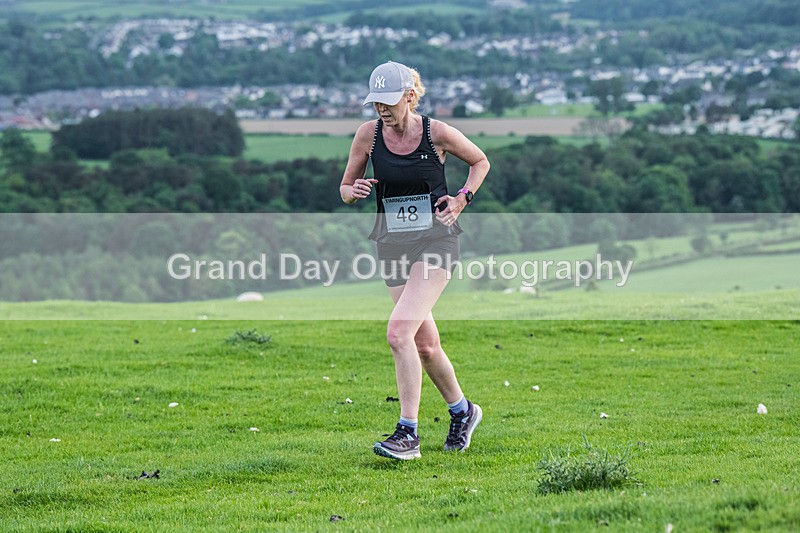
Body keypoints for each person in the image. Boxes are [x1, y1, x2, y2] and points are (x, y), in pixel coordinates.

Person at [339, 61, 490, 460]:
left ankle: (407, 433)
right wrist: (352, 191)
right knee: (424, 344)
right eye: (376, 103)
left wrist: (462, 199)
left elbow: (480, 162)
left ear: (410, 96)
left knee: (398, 333)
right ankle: (463, 411)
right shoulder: (367, 136)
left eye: (389, 102)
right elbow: (344, 188)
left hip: (436, 242)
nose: (381, 110)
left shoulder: (436, 132)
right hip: (390, 245)